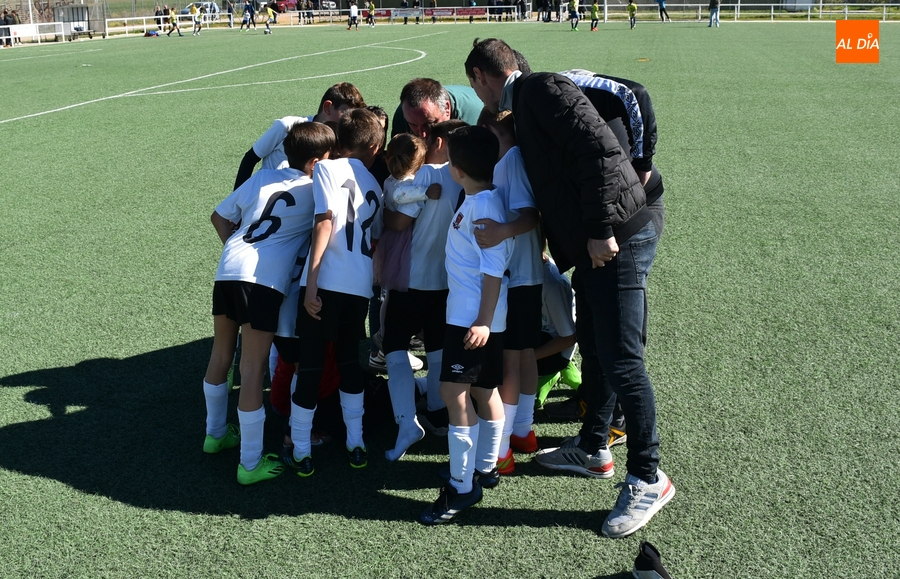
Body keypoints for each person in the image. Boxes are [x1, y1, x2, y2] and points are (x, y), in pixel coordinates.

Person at [464, 38, 674, 539]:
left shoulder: (537, 89)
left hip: (618, 234)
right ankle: (594, 445)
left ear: (480, 76)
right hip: (598, 241)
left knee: (622, 356)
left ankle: (648, 475)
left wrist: (600, 227)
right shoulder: (528, 103)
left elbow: (597, 147)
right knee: (597, 344)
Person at [203, 121, 335, 485]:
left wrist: (237, 253)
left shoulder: (262, 177)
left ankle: (215, 435)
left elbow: (218, 217)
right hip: (263, 282)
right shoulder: (315, 189)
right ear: (315, 162)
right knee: (252, 367)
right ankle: (250, 463)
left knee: (220, 355)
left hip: (228, 271)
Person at [418, 125, 511, 526]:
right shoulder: (478, 199)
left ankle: (461, 486)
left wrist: (484, 323)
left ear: (456, 169)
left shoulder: (483, 207)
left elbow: (493, 270)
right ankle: (485, 468)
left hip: (472, 322)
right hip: (474, 318)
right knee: (481, 390)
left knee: (451, 392)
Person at [289, 108, 385, 476]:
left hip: (327, 280)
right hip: (358, 285)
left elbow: (325, 221)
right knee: (348, 362)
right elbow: (372, 239)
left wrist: (310, 282)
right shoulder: (375, 187)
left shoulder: (327, 168)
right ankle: (356, 442)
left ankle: (300, 449)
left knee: (311, 363)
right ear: (374, 145)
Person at [380, 120, 462, 460]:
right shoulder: (461, 178)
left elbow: (398, 220)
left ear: (437, 141)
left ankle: (406, 423)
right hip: (446, 280)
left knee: (395, 348)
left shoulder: (424, 177)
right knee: (438, 346)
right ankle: (438, 411)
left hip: (411, 277)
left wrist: (386, 211)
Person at [472, 109, 543, 474]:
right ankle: (522, 432)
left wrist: (501, 231)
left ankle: (501, 451)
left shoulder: (509, 160)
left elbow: (528, 215)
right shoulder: (519, 157)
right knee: (524, 355)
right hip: (528, 273)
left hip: (517, 276)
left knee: (510, 363)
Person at [234, 82, 366, 189]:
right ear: (327, 107)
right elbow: (250, 159)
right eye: (345, 113)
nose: (348, 121)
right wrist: (236, 201)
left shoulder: (341, 139)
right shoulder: (288, 126)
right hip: (267, 203)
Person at [391, 78, 484, 139]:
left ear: (447, 109)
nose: (423, 134)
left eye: (429, 123)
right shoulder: (406, 113)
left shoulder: (474, 117)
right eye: (413, 125)